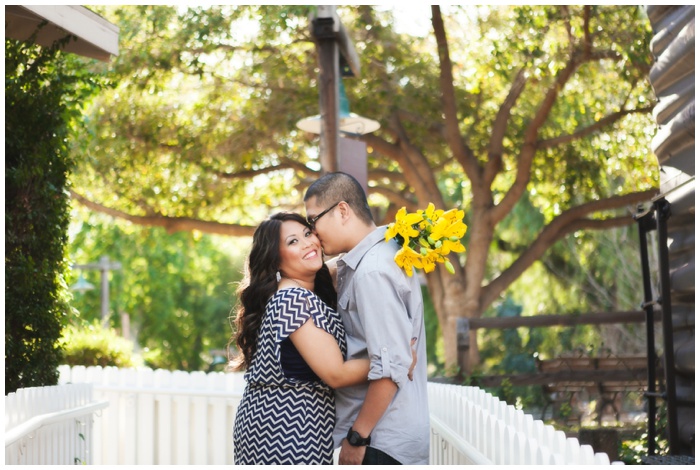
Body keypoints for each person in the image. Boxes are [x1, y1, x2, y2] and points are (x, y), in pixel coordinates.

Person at [304, 172, 430, 465]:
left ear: (342, 210)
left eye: (313, 221)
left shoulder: (372, 271)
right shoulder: (382, 254)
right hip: (382, 438)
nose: (312, 232)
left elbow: (391, 366)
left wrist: (357, 437)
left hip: (378, 442)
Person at [230, 212, 371, 465]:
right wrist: (394, 356)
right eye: (293, 242)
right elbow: (336, 374)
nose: (307, 243)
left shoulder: (301, 289)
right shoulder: (291, 299)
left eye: (308, 234)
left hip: (293, 422)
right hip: (285, 429)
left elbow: (347, 261)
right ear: (275, 260)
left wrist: (399, 234)